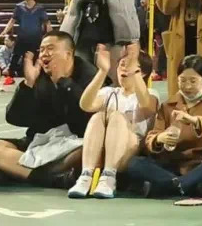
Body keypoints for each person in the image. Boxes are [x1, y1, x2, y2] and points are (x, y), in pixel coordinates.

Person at [0, 31, 97, 187]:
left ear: (68, 54)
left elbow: (87, 121)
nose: (44, 54)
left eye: (50, 48)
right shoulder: (38, 76)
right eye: (42, 50)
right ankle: (51, 178)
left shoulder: (90, 75)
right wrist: (28, 85)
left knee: (88, 151)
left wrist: (64, 83)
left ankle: (16, 171)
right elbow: (14, 118)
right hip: (40, 142)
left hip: (73, 143)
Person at [126, 54, 202, 198]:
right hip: (173, 165)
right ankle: (181, 185)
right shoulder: (168, 106)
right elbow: (152, 137)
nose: (187, 86)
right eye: (182, 80)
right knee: (135, 163)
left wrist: (195, 120)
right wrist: (159, 138)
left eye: (193, 81)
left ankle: (171, 186)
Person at [68, 48, 158, 199]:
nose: (124, 68)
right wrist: (102, 71)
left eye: (129, 65)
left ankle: (109, 178)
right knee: (97, 117)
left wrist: (134, 73)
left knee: (116, 117)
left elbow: (147, 107)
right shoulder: (109, 92)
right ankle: (86, 176)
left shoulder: (151, 94)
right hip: (103, 149)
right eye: (121, 64)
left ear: (142, 72)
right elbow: (85, 105)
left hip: (130, 151)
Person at [0, 0, 50, 79]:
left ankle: (37, 78)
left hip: (36, 38)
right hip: (22, 38)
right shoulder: (19, 7)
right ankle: (10, 77)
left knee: (36, 58)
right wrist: (5, 31)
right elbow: (12, 20)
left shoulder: (40, 8)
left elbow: (47, 23)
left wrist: (50, 35)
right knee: (15, 57)